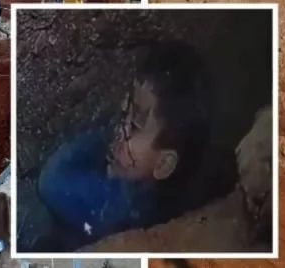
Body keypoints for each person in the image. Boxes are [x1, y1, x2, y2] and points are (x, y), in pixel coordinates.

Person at [32, 40, 212, 250]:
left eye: (135, 125)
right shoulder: (157, 197)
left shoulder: (119, 206)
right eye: (125, 111)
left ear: (164, 164)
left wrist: (102, 139)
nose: (120, 129)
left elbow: (51, 180)